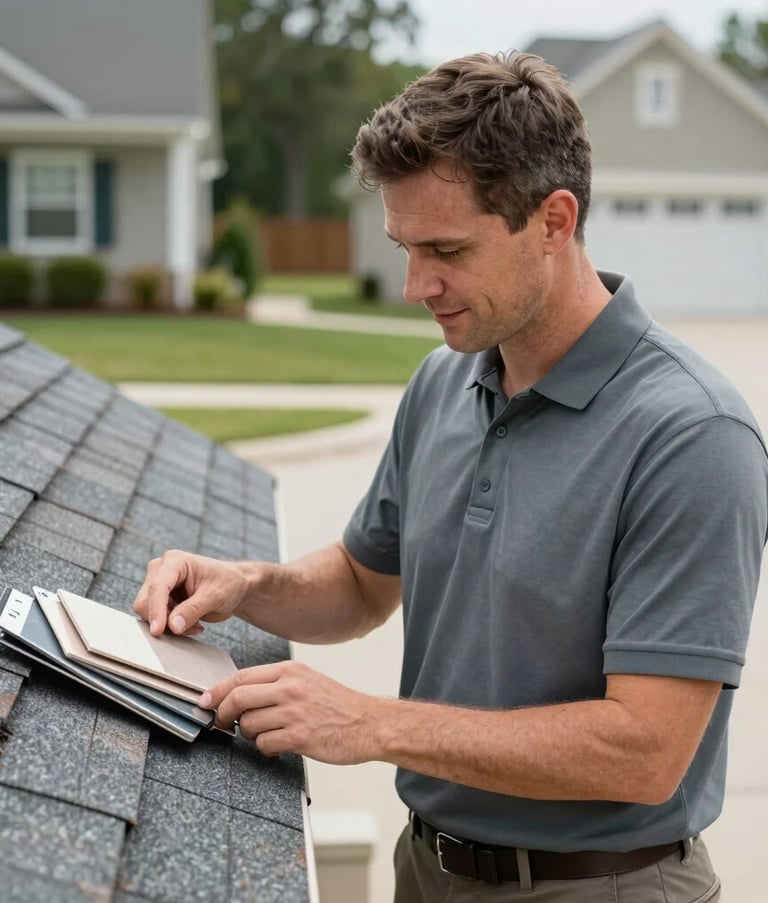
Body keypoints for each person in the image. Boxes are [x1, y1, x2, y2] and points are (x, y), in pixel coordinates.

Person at [134, 51, 768, 902]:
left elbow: (647, 750)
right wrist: (244, 584)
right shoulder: (446, 380)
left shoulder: (692, 433)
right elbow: (363, 582)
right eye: (404, 246)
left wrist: (370, 723)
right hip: (425, 869)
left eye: (446, 249)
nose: (414, 285)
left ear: (553, 220)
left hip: (600, 886)